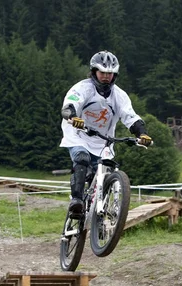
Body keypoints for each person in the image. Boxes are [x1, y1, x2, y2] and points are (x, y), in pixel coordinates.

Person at [59, 50, 152, 216]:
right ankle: (77, 201)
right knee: (82, 158)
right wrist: (73, 117)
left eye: (110, 73)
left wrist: (142, 134)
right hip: (78, 135)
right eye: (102, 72)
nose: (106, 77)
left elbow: (130, 117)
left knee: (106, 173)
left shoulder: (119, 96)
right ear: (94, 71)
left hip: (102, 141)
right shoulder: (82, 88)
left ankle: (100, 217)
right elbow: (69, 105)